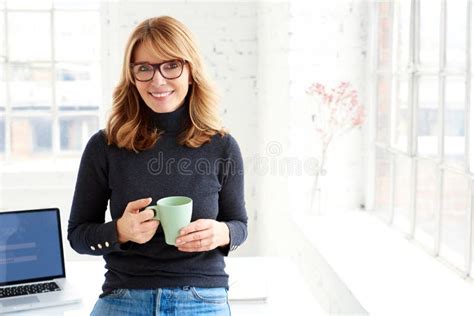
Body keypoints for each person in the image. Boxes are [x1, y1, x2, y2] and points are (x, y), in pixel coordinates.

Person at [67, 16, 247, 316]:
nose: (158, 80)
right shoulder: (105, 146)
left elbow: (239, 225)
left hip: (201, 297)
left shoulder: (222, 146)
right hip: (123, 296)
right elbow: (78, 235)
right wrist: (120, 232)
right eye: (144, 68)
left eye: (171, 65)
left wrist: (222, 234)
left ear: (190, 71)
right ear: (132, 76)